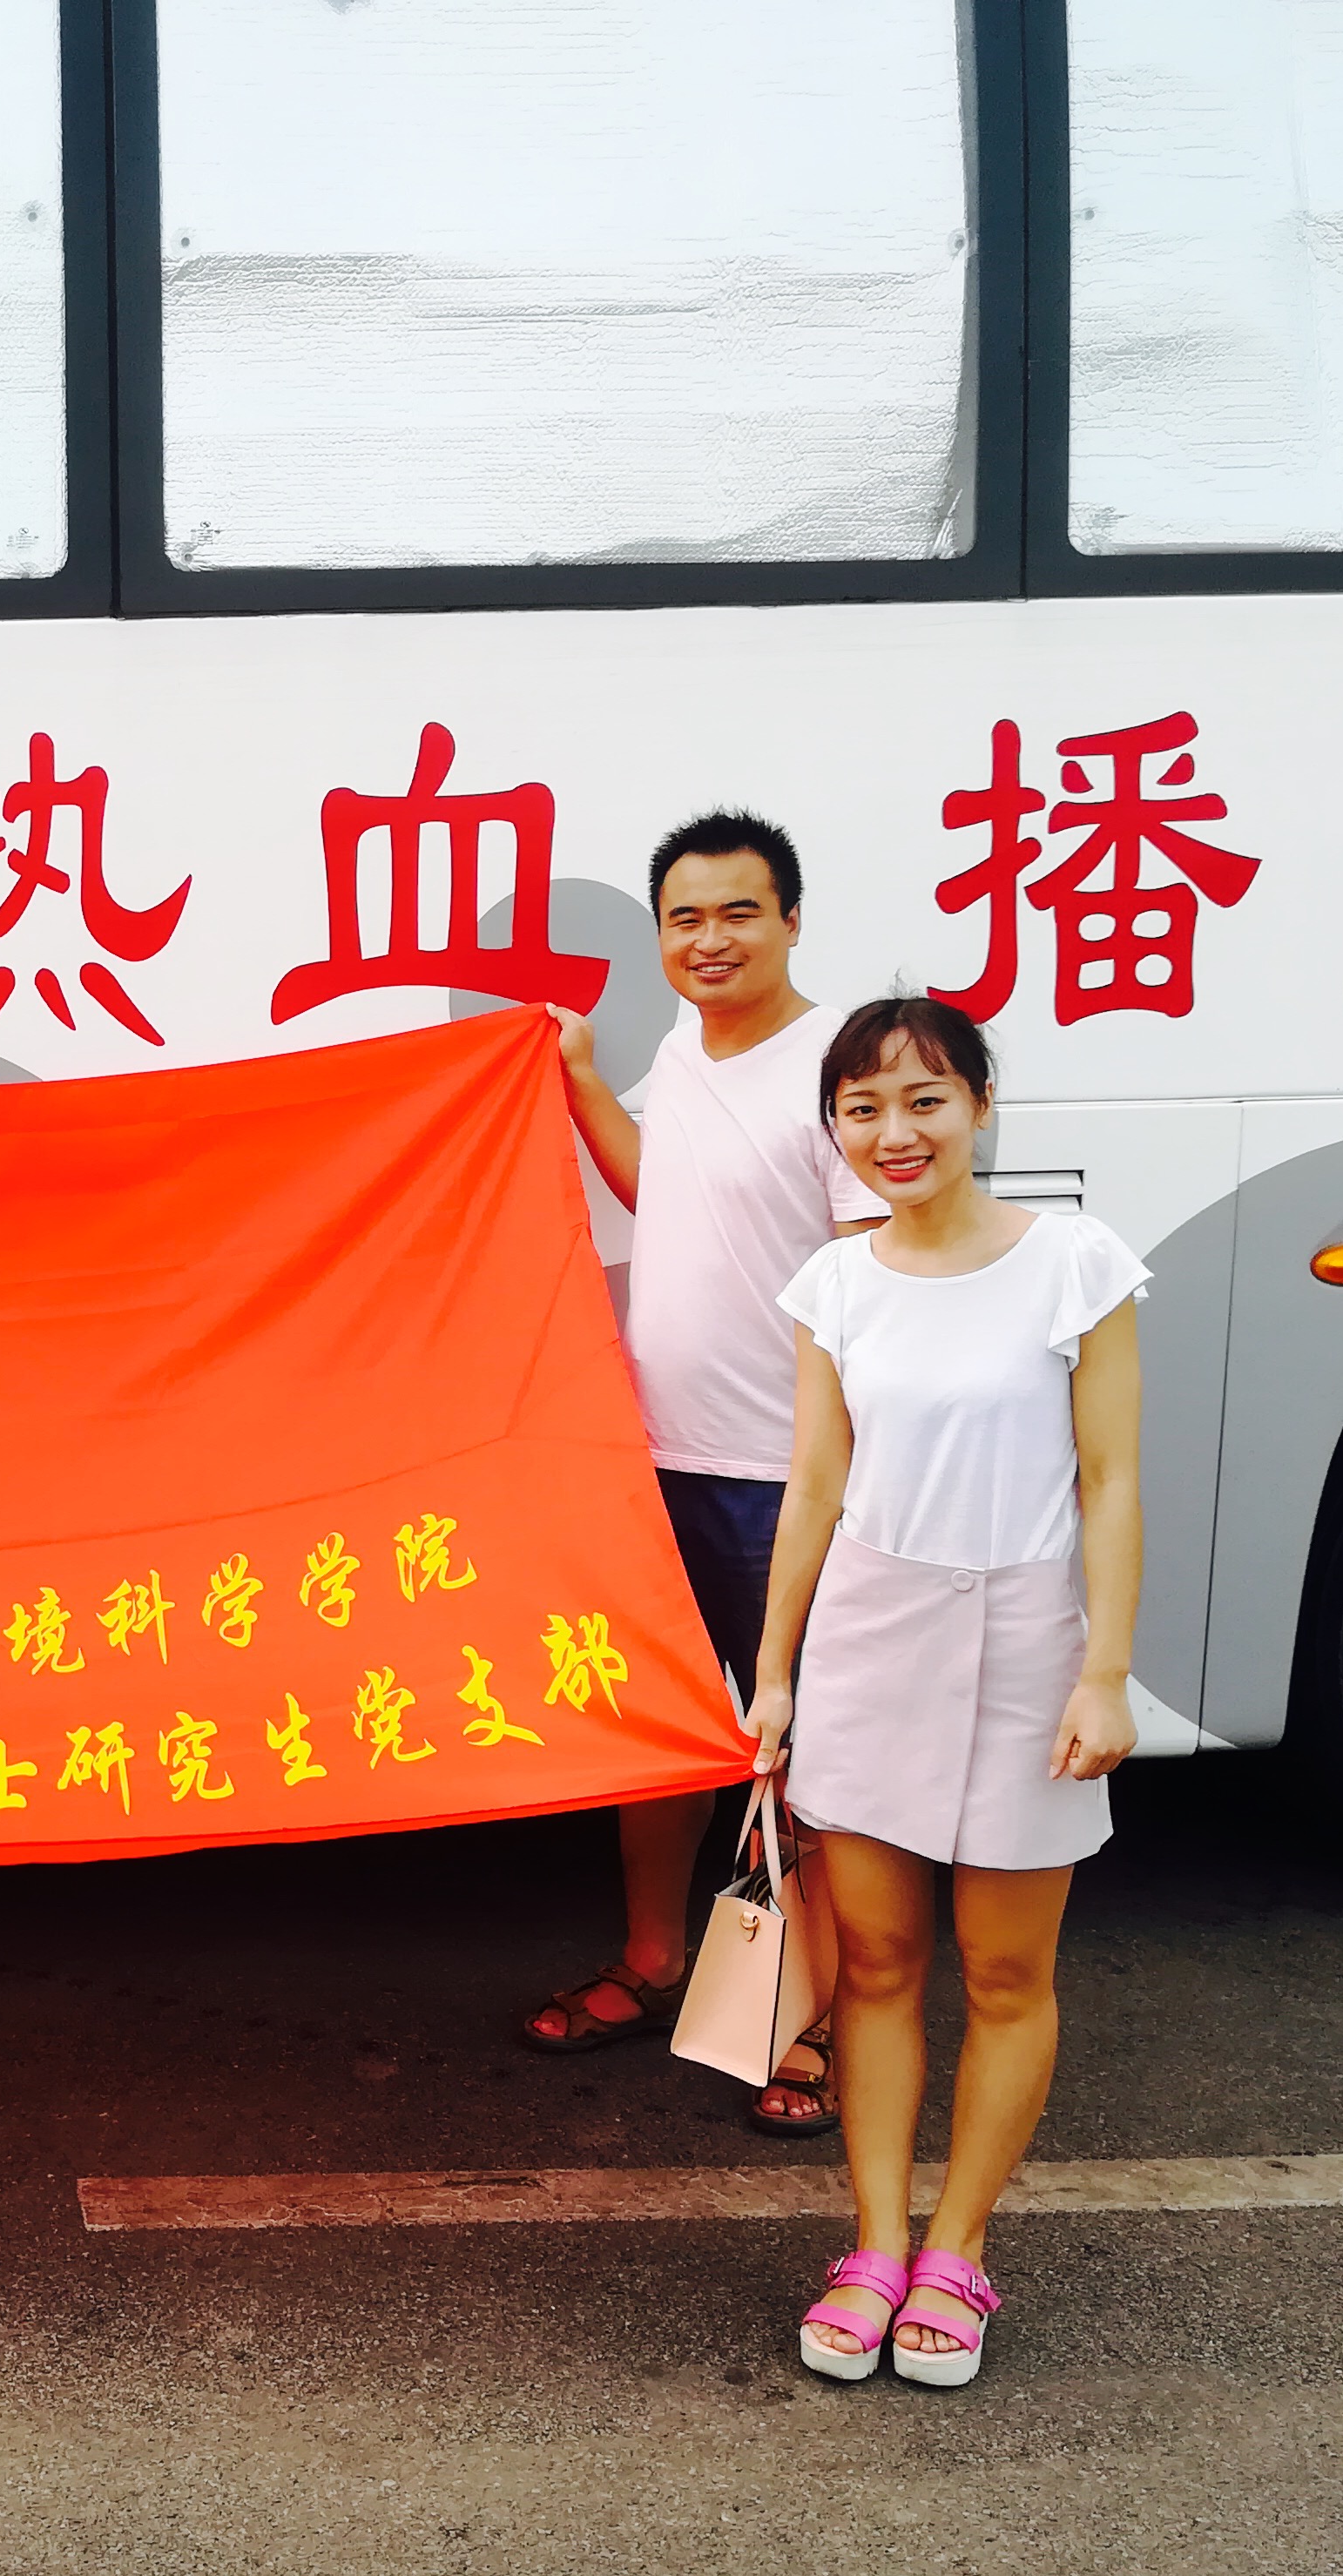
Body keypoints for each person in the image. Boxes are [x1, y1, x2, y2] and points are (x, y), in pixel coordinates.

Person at [755, 996, 1144, 2387]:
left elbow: (1111, 1481)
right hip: (875, 1638)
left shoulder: (1076, 1266)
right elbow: (814, 1489)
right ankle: (873, 2244)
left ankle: (959, 2252)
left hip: (1030, 1641)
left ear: (980, 1104)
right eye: (862, 1109)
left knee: (1006, 1972)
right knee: (874, 1966)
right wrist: (777, 1672)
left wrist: (1105, 1673)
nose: (895, 1133)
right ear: (836, 1129)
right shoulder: (834, 1285)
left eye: (924, 1099)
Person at [523, 813, 884, 2134]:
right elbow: (662, 1199)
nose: (711, 940)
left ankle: (821, 2015)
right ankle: (654, 1959)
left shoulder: (840, 1069)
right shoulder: (683, 1050)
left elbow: (877, 1281)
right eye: (687, 918)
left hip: (783, 1479)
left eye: (739, 913)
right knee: (661, 1735)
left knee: (810, 1758)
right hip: (657, 1460)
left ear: (791, 921)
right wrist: (579, 1083)